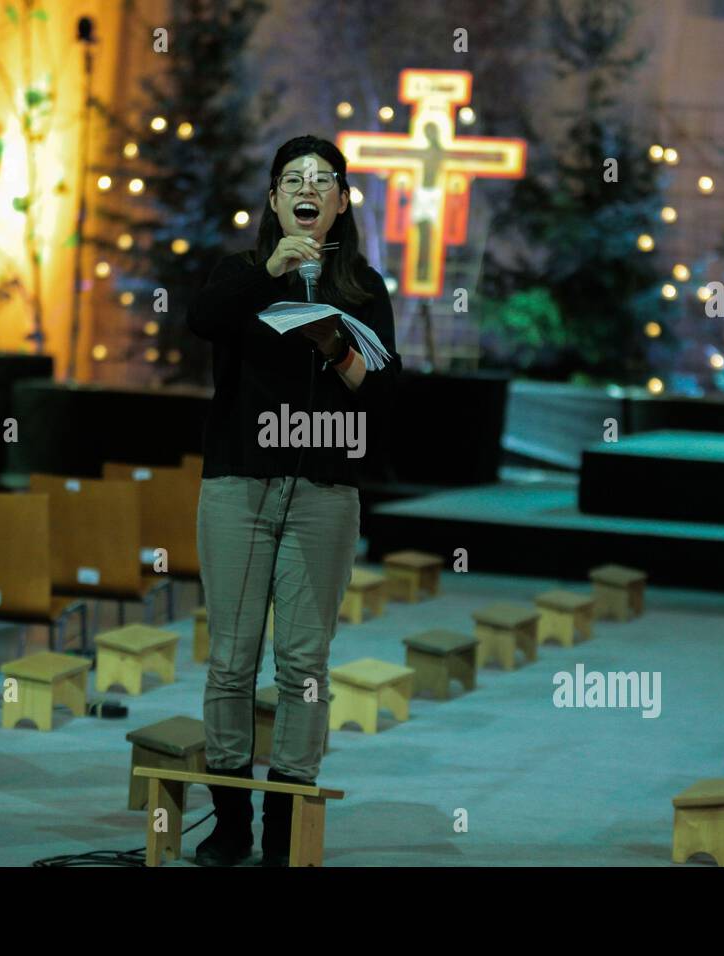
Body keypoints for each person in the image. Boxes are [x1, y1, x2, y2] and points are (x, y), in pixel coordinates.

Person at [185, 134, 400, 866]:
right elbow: (200, 320)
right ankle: (231, 824)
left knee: (304, 667)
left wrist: (333, 341)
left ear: (339, 204)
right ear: (275, 200)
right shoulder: (240, 275)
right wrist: (268, 277)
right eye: (293, 179)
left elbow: (384, 391)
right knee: (231, 661)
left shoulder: (365, 289)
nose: (308, 189)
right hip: (239, 489)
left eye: (325, 180)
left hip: (323, 496)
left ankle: (284, 830)